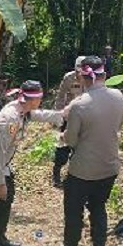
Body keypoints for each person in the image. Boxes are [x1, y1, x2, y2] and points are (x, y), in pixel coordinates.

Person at [50, 56, 123, 246]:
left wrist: (63, 136)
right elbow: (119, 125)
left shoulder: (80, 105)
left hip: (83, 170)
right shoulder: (119, 97)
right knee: (99, 210)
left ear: (84, 76)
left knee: (73, 213)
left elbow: (72, 140)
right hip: (109, 166)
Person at [0, 80, 62, 246]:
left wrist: (61, 114)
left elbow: (39, 115)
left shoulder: (23, 109)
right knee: (0, 202)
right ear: (33, 99)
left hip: (0, 162)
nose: (41, 102)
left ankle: (1, 237)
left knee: (7, 199)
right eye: (40, 98)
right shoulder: (11, 119)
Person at [51, 56, 86, 188]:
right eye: (78, 70)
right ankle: (56, 173)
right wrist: (58, 116)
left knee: (80, 147)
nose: (79, 74)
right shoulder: (68, 78)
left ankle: (74, 175)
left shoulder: (91, 79)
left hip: (84, 118)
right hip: (68, 117)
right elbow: (60, 97)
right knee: (62, 146)